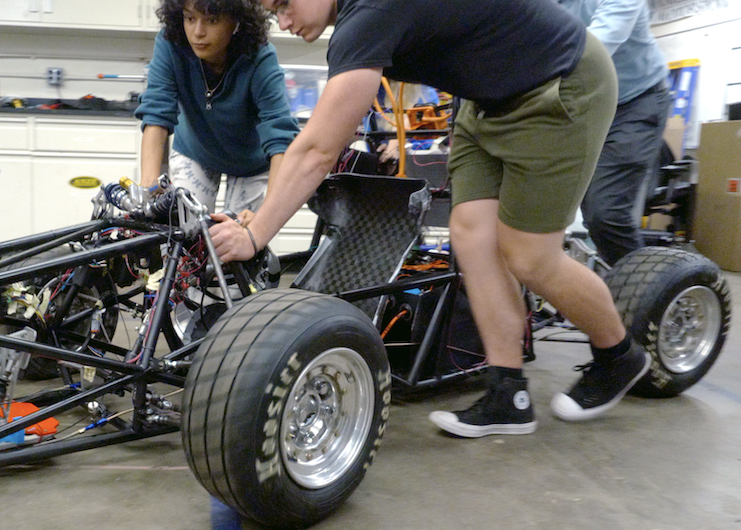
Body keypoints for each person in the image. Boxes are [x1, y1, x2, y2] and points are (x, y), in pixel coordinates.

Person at [208, 0, 651, 437]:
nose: (283, 21)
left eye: (284, 4)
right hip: (486, 102)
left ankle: (618, 355)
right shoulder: (358, 20)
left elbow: (318, 149)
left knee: (530, 257)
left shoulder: (369, 14)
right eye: (273, 12)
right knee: (471, 234)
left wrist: (255, 232)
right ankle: (508, 394)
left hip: (561, 82)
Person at [135, 0, 300, 222]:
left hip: (251, 162)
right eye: (190, 18)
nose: (198, 32)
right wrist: (149, 187)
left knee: (240, 242)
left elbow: (279, 135)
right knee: (185, 236)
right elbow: (157, 112)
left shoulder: (260, 56)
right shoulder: (170, 43)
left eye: (212, 20)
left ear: (236, 21)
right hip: (197, 149)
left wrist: (267, 214)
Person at [559, 0, 671, 266]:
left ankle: (640, 293)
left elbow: (596, 46)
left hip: (635, 103)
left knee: (605, 213)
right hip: (587, 104)